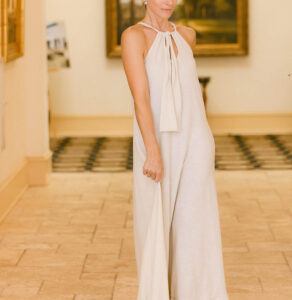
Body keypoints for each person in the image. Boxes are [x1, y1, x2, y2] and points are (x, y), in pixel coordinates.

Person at [121, 0, 229, 299]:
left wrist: (205, 143)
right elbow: (140, 99)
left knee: (195, 224)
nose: (169, 1)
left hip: (196, 142)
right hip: (158, 144)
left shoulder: (188, 35)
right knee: (155, 223)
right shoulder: (134, 37)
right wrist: (152, 151)